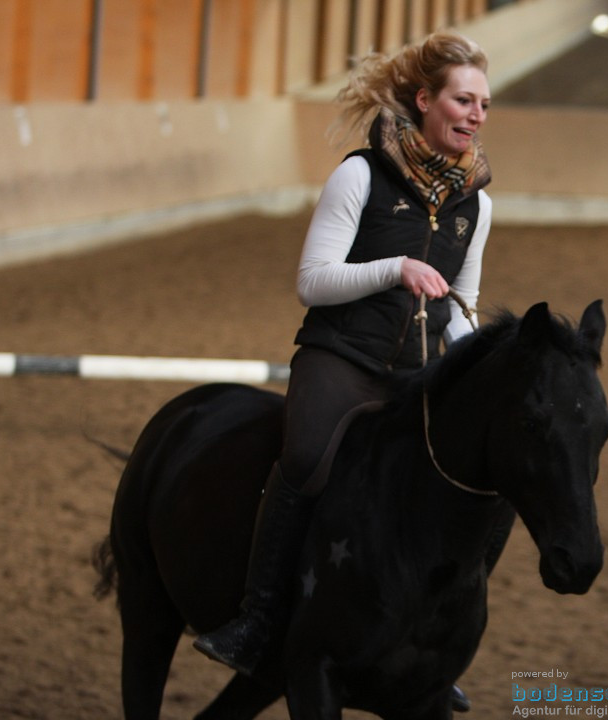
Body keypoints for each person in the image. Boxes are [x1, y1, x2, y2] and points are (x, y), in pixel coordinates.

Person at [193, 30, 494, 708]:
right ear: (424, 100)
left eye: (483, 104)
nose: (476, 115)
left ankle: (434, 651)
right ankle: (259, 619)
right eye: (463, 100)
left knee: (469, 488)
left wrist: (465, 340)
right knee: (307, 460)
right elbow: (312, 280)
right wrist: (396, 268)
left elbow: (462, 301)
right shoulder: (360, 175)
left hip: (416, 377)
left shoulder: (478, 204)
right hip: (341, 360)